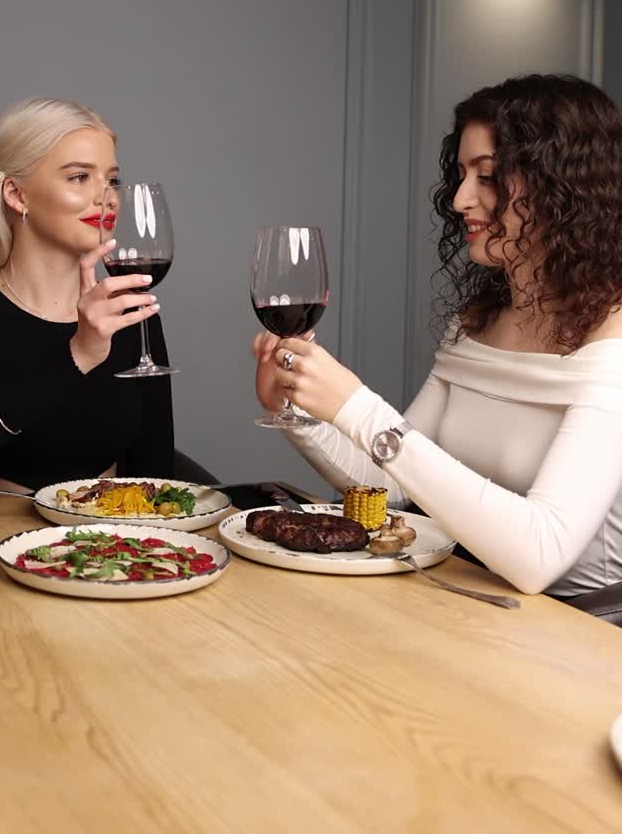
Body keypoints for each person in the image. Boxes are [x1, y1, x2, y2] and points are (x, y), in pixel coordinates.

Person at [253, 74, 622, 597]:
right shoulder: (477, 323)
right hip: (470, 591)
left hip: (585, 629)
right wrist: (308, 413)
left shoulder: (615, 346)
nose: (460, 199)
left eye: (487, 176)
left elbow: (539, 557)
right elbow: (395, 486)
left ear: (564, 189)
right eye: (461, 175)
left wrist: (358, 407)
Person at [0, 97, 200, 501]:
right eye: (79, 177)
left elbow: (157, 470)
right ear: (17, 195)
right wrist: (76, 357)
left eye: (112, 179)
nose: (107, 197)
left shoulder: (130, 314)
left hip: (102, 551)